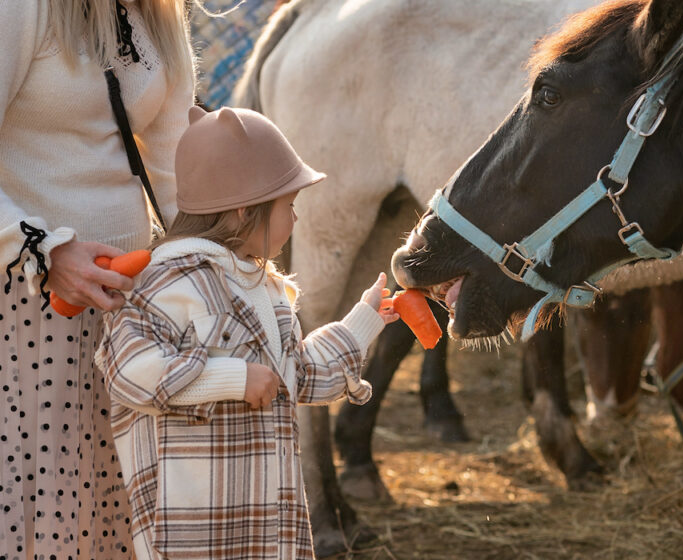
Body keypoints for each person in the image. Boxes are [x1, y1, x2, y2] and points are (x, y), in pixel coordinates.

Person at [95, 106, 399, 560]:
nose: (295, 220)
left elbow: (299, 374)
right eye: (288, 207)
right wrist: (233, 379)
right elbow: (128, 373)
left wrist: (366, 318)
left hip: (267, 526)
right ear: (243, 212)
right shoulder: (163, 284)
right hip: (192, 531)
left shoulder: (267, 289)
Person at [0, 1, 195, 557]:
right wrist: (43, 252)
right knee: (44, 495)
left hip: (124, 305)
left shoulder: (159, 10)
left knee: (112, 495)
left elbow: (175, 159)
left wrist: (207, 263)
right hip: (29, 300)